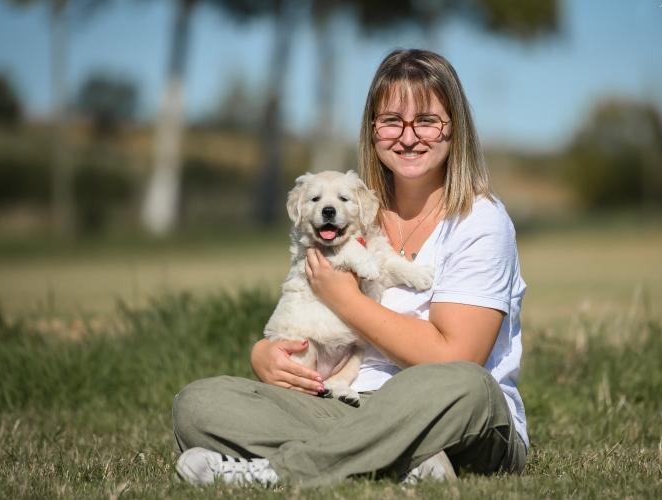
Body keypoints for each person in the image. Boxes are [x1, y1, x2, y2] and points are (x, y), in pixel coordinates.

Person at [172, 48, 528, 488]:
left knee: (466, 385)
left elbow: (453, 356)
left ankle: (277, 472)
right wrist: (265, 358)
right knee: (198, 403)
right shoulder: (352, 211)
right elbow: (304, 315)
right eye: (392, 121)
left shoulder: (480, 220)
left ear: (455, 129)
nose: (409, 136)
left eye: (428, 121)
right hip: (348, 400)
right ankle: (407, 461)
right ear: (372, 130)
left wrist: (345, 299)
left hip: (456, 413)